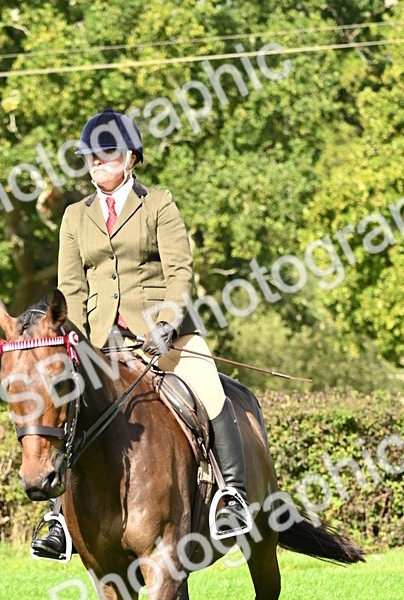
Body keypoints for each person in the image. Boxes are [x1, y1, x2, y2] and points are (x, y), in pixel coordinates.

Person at [31, 107, 253, 561]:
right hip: (97, 341)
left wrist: (169, 321)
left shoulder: (159, 204)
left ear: (131, 158)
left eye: (106, 156)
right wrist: (71, 338)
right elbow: (70, 286)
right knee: (64, 406)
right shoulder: (75, 216)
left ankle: (232, 496)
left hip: (161, 336)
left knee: (210, 391)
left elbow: (180, 269)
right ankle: (59, 519)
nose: (96, 164)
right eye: (89, 157)